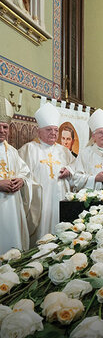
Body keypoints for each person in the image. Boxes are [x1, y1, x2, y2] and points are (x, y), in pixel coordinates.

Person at [19, 102, 75, 240]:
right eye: (49, 130)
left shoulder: (64, 151)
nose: (53, 133)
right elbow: (21, 175)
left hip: (60, 197)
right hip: (40, 201)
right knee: (41, 234)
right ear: (39, 132)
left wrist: (69, 170)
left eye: (56, 130)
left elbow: (75, 168)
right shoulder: (28, 149)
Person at [0, 97, 33, 252]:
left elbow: (24, 171)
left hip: (13, 207)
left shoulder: (12, 151)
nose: (2, 131)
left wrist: (21, 180)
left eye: (5, 127)